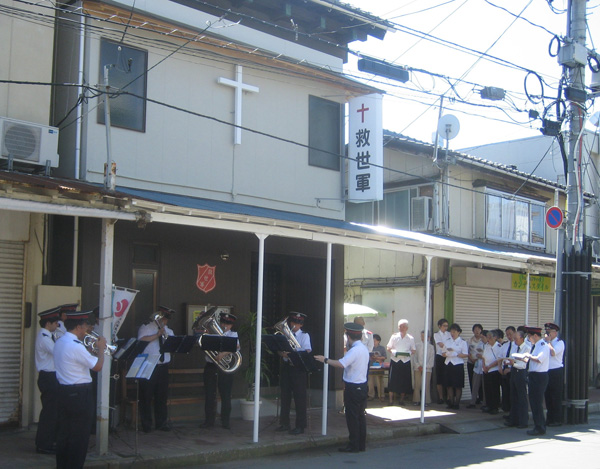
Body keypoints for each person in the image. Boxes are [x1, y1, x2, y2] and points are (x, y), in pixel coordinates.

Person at [53, 310, 106, 469]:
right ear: (78, 327)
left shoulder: (60, 342)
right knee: (79, 437)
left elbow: (79, 361)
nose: (87, 329)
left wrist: (93, 351)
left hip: (63, 392)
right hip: (80, 395)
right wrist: (101, 349)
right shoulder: (75, 346)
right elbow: (97, 366)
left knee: (64, 435)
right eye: (85, 326)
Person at [315, 322, 369, 453]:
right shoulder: (363, 348)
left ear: (349, 337)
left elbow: (341, 364)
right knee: (360, 416)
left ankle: (354, 445)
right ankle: (361, 444)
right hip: (362, 386)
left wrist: (325, 360)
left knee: (352, 417)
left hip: (353, 387)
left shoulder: (355, 350)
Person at [137, 305, 175, 433]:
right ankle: (146, 425)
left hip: (163, 366)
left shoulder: (169, 331)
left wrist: (165, 335)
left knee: (161, 397)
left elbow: (172, 345)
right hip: (148, 364)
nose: (164, 321)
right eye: (163, 318)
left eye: (166, 319)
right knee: (146, 396)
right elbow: (141, 340)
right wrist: (157, 334)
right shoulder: (146, 327)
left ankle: (161, 423)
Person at [200, 311, 240, 429]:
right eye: (223, 322)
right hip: (211, 366)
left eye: (227, 324)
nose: (224, 325)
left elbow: (236, 347)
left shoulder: (233, 335)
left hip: (224, 368)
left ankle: (225, 421)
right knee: (209, 394)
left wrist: (222, 354)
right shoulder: (211, 333)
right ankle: (209, 421)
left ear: (231, 325)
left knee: (226, 394)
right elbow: (204, 345)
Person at [276, 312, 312, 435]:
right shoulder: (285, 335)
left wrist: (291, 353)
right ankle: (284, 423)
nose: (295, 325)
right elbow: (280, 350)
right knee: (285, 396)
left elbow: (307, 350)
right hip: (287, 367)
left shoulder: (304, 335)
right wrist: (282, 353)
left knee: (299, 398)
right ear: (290, 323)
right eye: (293, 323)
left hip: (298, 368)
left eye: (298, 323)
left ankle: (300, 425)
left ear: (301, 325)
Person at [35, 306, 61, 455]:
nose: (57, 325)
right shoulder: (45, 338)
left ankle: (48, 442)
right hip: (48, 377)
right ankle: (44, 444)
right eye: (55, 322)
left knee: (53, 412)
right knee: (49, 413)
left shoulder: (49, 336)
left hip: (52, 377)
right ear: (48, 324)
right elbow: (57, 352)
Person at [524, 326, 550, 436]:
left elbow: (539, 359)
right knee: (534, 402)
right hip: (533, 375)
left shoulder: (543, 345)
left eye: (529, 336)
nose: (528, 338)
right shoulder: (535, 346)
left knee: (537, 403)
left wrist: (528, 356)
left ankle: (540, 427)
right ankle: (538, 425)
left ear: (535, 335)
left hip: (540, 376)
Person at [503, 329, 530, 429]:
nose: (515, 341)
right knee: (513, 397)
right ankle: (513, 419)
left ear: (522, 338)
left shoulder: (526, 348)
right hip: (514, 372)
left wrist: (513, 363)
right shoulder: (515, 347)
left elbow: (523, 364)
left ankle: (523, 421)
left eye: (516, 339)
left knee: (521, 397)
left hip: (521, 373)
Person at [386, 319, 415, 405]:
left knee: (404, 381)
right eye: (400, 326)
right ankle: (390, 400)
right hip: (395, 360)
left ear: (407, 327)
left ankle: (402, 400)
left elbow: (413, 350)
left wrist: (409, 353)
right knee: (392, 380)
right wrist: (394, 352)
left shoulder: (410, 338)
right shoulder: (394, 336)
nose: (401, 328)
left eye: (403, 326)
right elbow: (388, 348)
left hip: (405, 361)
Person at [442, 324, 468, 410]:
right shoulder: (447, 341)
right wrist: (447, 354)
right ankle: (451, 403)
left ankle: (457, 403)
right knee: (449, 385)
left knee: (458, 385)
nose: (452, 333)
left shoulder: (462, 342)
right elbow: (443, 353)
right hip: (448, 363)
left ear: (459, 332)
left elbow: (465, 354)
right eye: (451, 332)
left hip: (457, 364)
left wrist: (456, 354)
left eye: (454, 332)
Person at [544, 322, 565, 427]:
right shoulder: (545, 343)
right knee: (547, 395)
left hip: (556, 371)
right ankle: (549, 418)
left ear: (555, 333)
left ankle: (557, 419)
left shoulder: (559, 343)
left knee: (555, 396)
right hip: (547, 371)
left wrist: (548, 343)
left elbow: (553, 353)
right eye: (546, 332)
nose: (547, 334)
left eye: (549, 332)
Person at [482, 329, 502, 415]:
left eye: (490, 337)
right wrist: (484, 366)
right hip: (486, 370)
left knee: (494, 389)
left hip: (494, 370)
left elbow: (499, 360)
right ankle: (489, 405)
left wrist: (489, 366)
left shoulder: (498, 346)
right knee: (487, 389)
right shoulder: (486, 345)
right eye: (487, 337)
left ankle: (495, 407)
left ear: (495, 337)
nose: (488, 339)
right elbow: (483, 357)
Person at [412, 330, 434, 406]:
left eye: (424, 336)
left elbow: (431, 359)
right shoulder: (417, 345)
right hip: (418, 368)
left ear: (428, 337)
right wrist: (418, 366)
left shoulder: (431, 347)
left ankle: (426, 401)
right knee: (417, 384)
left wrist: (425, 367)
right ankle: (416, 400)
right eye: (421, 336)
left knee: (426, 384)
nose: (422, 338)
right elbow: (414, 357)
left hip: (427, 369)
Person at [466, 330, 487, 409]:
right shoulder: (479, 344)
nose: (481, 339)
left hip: (485, 367)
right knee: (475, 385)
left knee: (484, 387)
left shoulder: (489, 345)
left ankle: (485, 403)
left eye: (483, 337)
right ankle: (473, 401)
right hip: (477, 366)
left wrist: (482, 356)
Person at [499, 326, 516, 413]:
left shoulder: (517, 346)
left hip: (512, 371)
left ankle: (512, 412)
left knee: (512, 393)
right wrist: (500, 368)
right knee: (505, 392)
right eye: (507, 335)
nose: (509, 336)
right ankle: (506, 410)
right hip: (504, 371)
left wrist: (510, 369)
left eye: (510, 334)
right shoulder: (505, 345)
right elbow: (500, 358)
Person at [434, 318, 450, 404]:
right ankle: (440, 397)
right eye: (444, 326)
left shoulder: (449, 334)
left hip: (448, 356)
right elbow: (440, 344)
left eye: (447, 326)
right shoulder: (436, 334)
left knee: (447, 376)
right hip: (440, 356)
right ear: (439, 326)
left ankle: (448, 397)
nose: (446, 328)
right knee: (439, 377)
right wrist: (448, 346)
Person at [368, 334, 387, 401]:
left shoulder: (382, 348)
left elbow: (385, 357)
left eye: (374, 341)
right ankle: (371, 395)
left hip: (379, 366)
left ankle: (381, 395)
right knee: (371, 381)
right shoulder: (370, 348)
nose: (373, 342)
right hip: (371, 365)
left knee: (380, 381)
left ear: (378, 341)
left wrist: (378, 358)